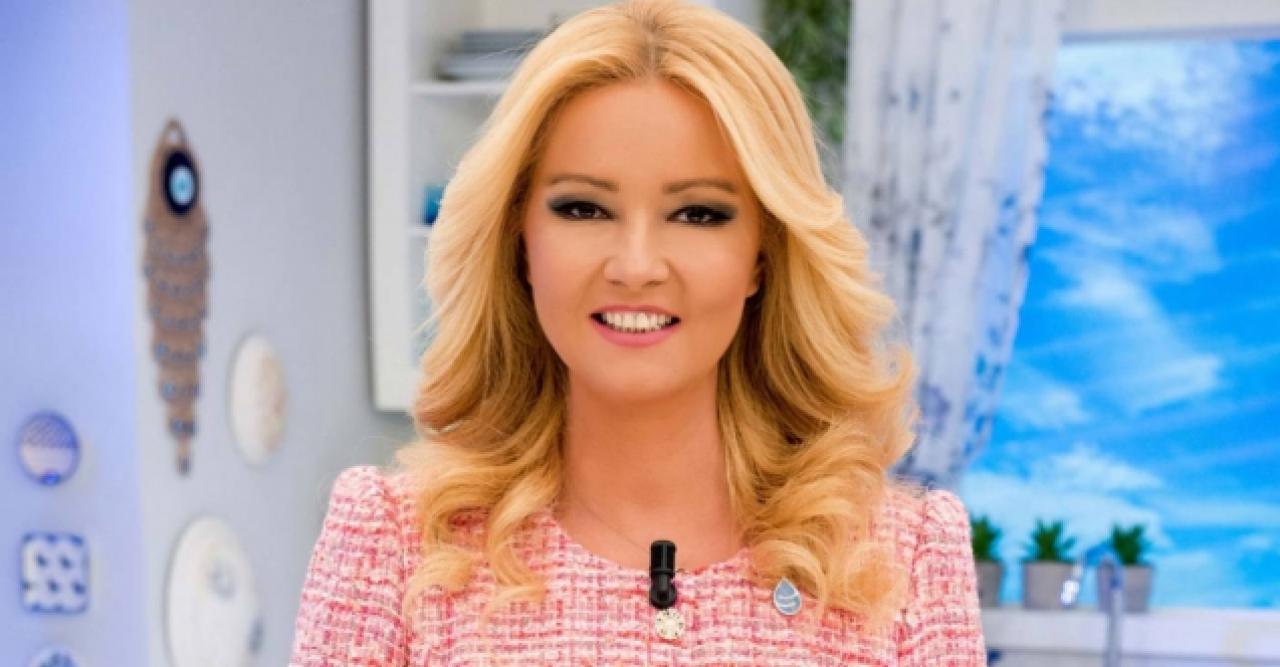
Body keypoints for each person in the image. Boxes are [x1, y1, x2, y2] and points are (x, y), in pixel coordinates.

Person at [289, 0, 985, 664]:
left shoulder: (907, 558)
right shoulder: (395, 542)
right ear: (519, 240)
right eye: (584, 208)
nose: (636, 266)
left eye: (698, 214)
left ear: (763, 254)